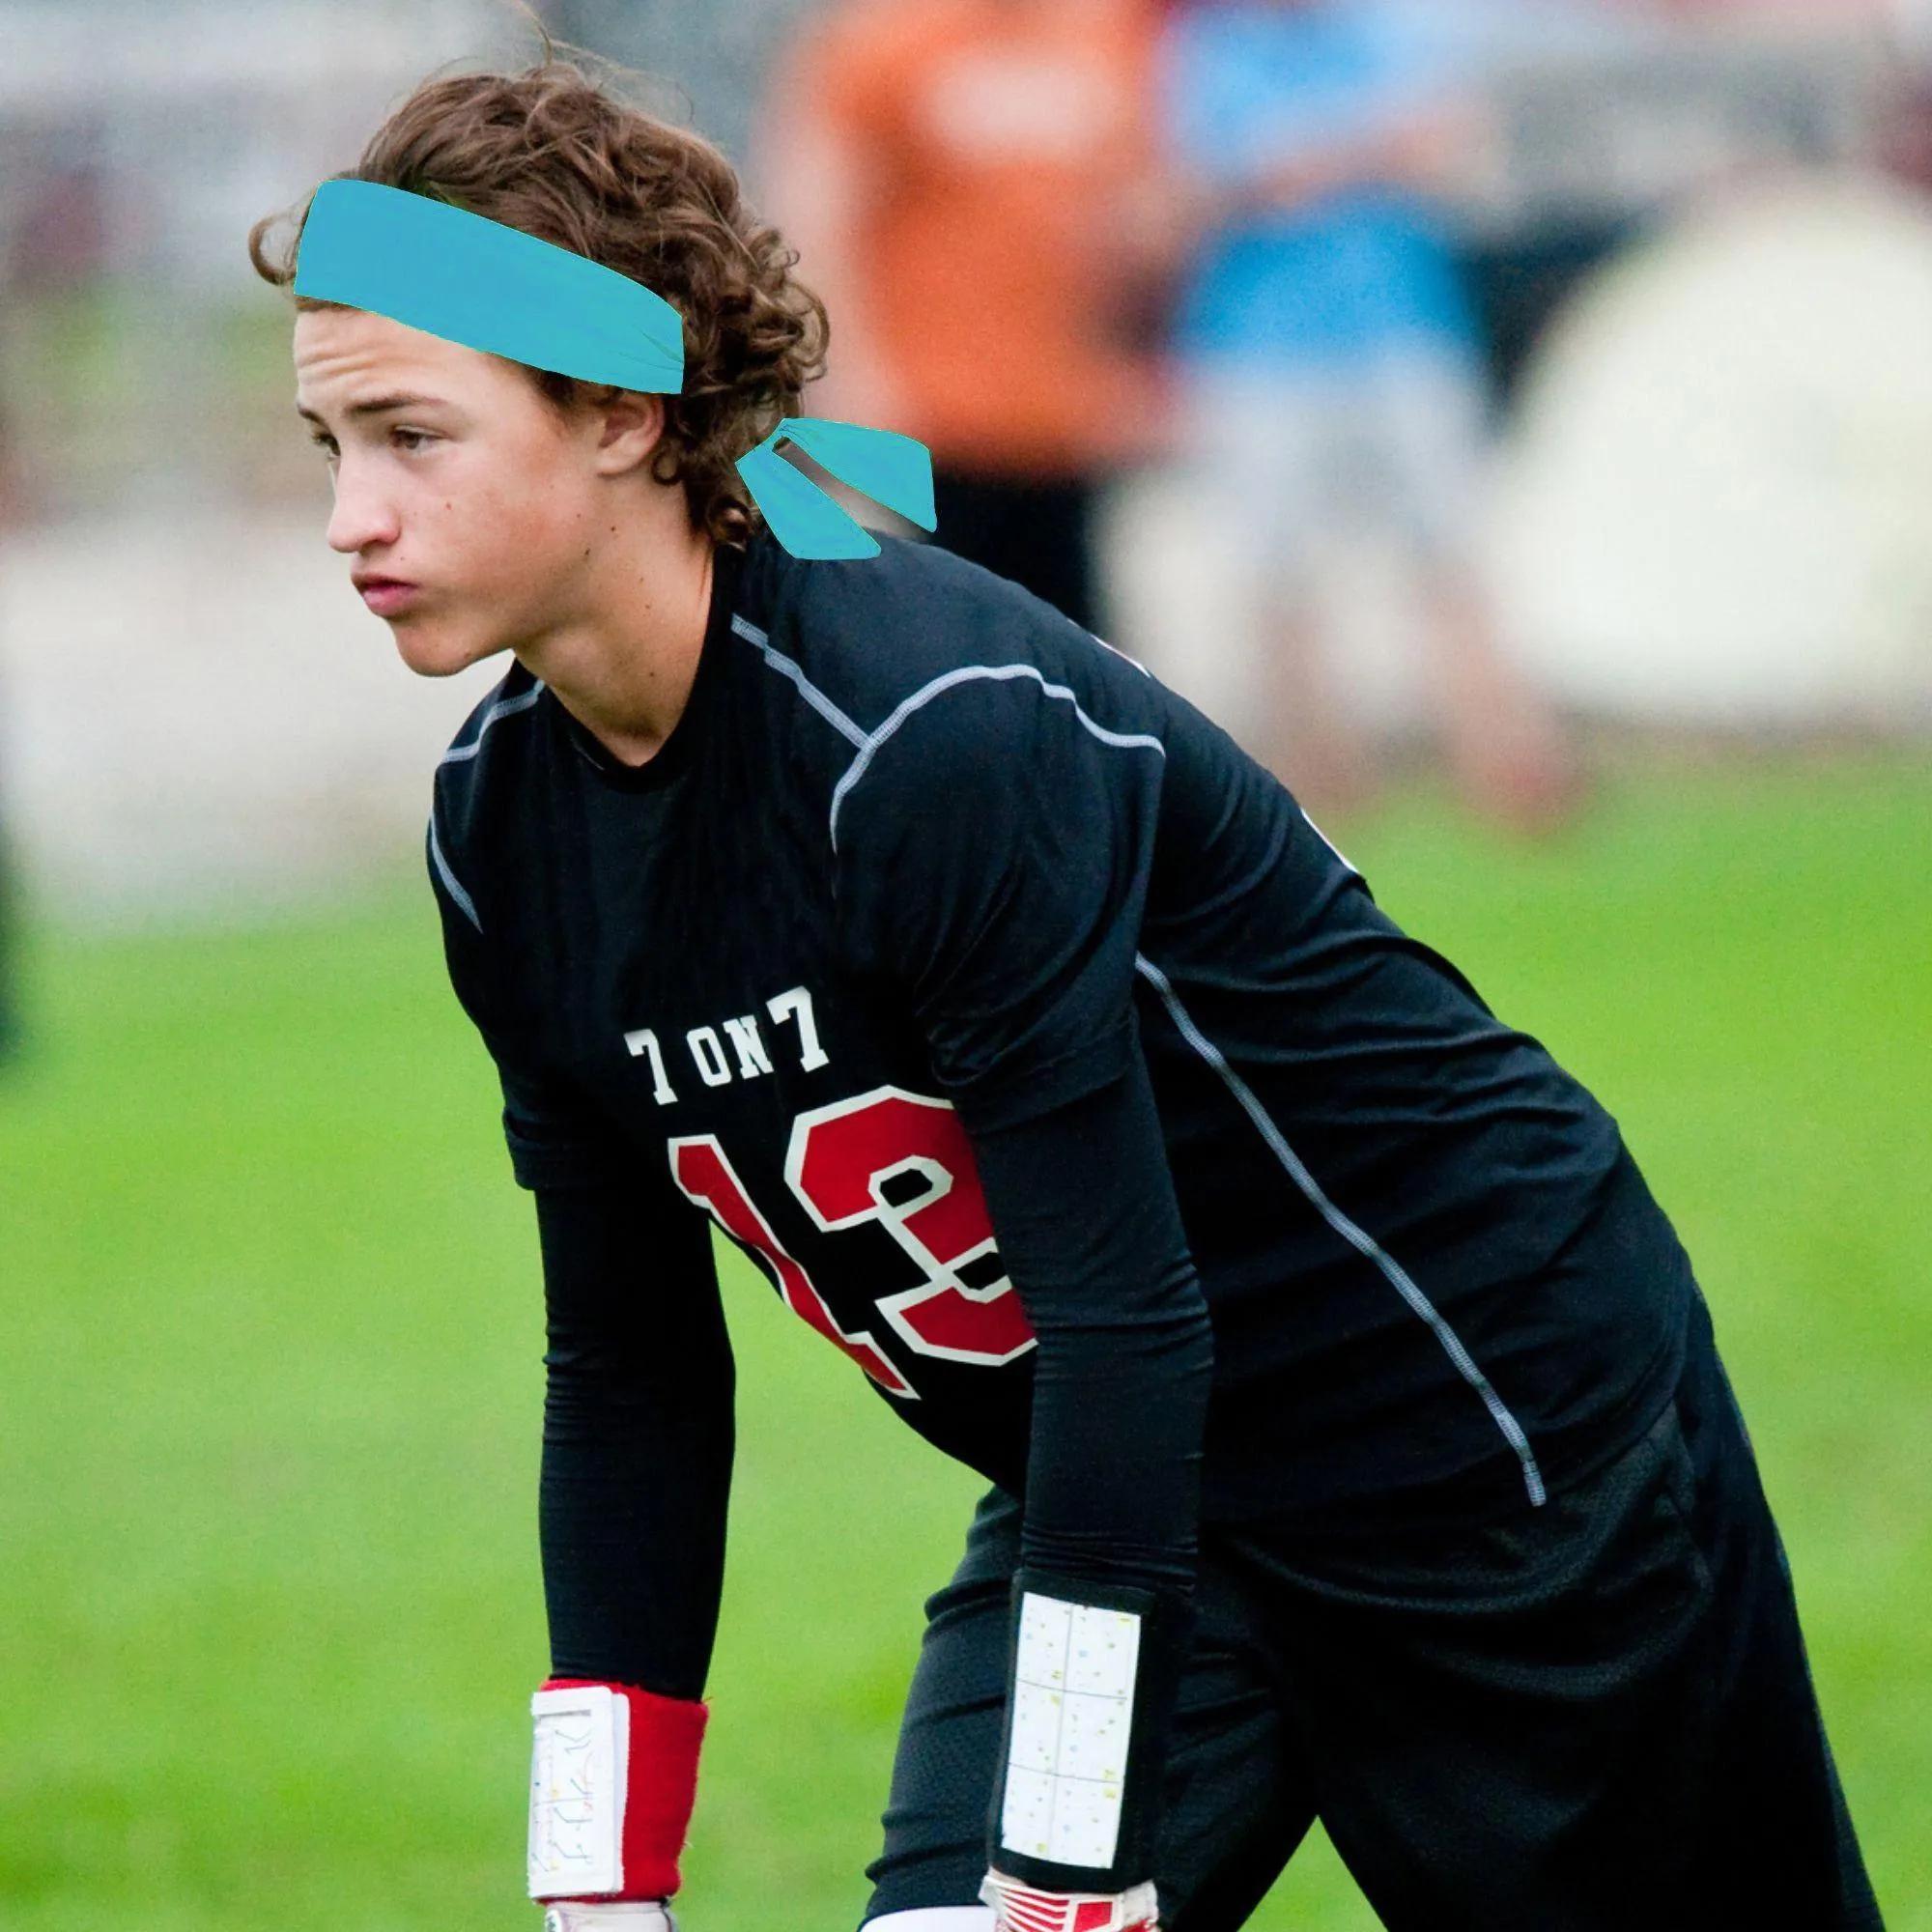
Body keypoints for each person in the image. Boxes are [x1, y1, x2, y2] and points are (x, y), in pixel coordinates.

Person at [254, 52, 1882, 1932]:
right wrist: (595, 1893)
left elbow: (1125, 1316)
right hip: (1122, 1495)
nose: (349, 516)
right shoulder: (496, 827)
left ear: (620, 409)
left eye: (412, 436)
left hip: (1474, 1433)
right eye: (331, 448)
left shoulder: (918, 731)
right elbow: (627, 1372)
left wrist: (1052, 1871)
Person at [1147, 0, 1579, 830]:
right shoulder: (1208, 51)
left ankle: (1511, 772)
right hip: (1257, 348)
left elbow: (1445, 153)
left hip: (1405, 332)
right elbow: (1199, 190)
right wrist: (1364, 152)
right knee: (1277, 578)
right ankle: (1317, 782)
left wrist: (1303, 166)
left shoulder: (1393, 33)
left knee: (1454, 559)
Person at [753, 0, 1174, 635]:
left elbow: (1141, 211)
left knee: (1074, 661)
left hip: (1062, 426)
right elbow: (819, 219)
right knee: (945, 649)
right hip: (934, 423)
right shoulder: (889, 42)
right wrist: (849, 373)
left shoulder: (1101, 38)